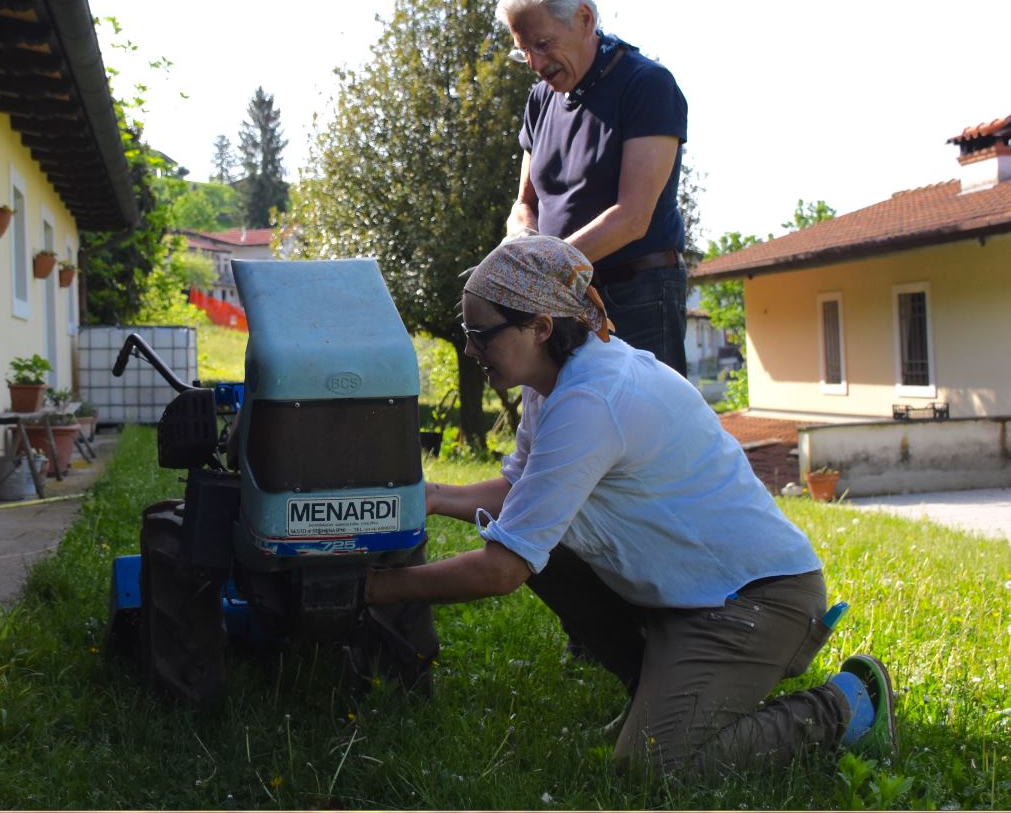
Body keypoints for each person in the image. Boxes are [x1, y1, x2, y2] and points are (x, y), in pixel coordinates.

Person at [364, 236, 896, 775]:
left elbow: (502, 571)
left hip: (758, 602)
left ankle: (844, 705)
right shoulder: (550, 380)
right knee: (538, 540)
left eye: (482, 335)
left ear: (541, 327)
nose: (472, 350)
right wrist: (430, 498)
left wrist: (372, 591)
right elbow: (521, 490)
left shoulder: (591, 400)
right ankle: (659, 693)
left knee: (658, 767)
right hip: (690, 596)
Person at [497, 0, 689, 375]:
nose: (534, 62)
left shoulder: (647, 85)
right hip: (560, 298)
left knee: (643, 433)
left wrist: (542, 268)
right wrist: (522, 245)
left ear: (585, 18)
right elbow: (524, 203)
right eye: (523, 49)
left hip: (635, 295)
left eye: (543, 44)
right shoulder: (539, 100)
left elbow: (634, 217)